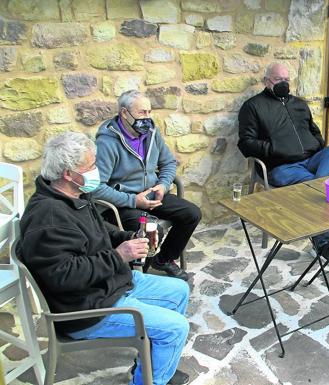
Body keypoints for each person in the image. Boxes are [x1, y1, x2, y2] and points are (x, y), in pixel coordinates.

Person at [18, 132, 190, 385]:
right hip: (85, 310)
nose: (96, 171)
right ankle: (150, 380)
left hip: (107, 284)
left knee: (179, 290)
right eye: (91, 166)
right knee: (175, 328)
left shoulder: (73, 196)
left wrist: (126, 236)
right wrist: (120, 255)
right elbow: (63, 276)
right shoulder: (48, 218)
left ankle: (152, 367)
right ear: (68, 173)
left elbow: (99, 230)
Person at [238, 62, 329, 264]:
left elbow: (314, 130)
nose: (284, 84)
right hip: (281, 167)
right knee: (319, 190)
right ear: (266, 81)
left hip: (311, 160)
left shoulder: (299, 104)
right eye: (279, 79)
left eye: (287, 80)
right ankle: (322, 242)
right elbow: (246, 143)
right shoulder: (253, 106)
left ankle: (321, 192)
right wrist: (276, 150)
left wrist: (317, 144)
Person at [94, 90, 201, 281]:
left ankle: (164, 258)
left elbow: (168, 163)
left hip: (153, 194)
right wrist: (133, 201)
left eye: (149, 112)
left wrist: (163, 185)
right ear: (124, 113)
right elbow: (97, 188)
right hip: (124, 203)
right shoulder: (106, 142)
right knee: (150, 231)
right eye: (142, 112)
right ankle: (140, 279)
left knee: (191, 214)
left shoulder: (151, 132)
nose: (148, 118)